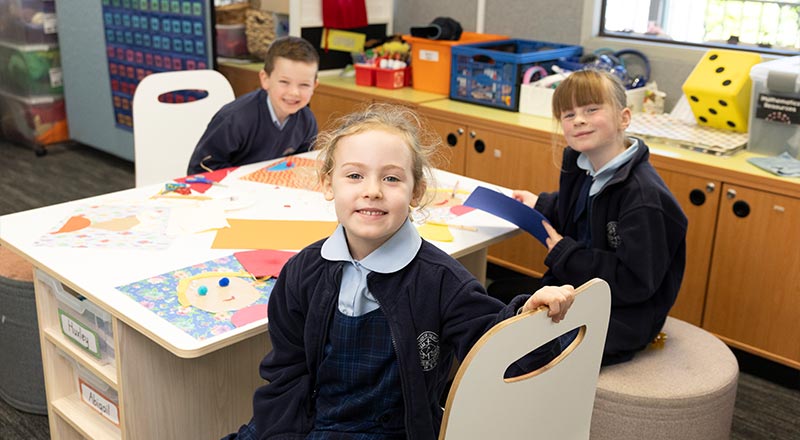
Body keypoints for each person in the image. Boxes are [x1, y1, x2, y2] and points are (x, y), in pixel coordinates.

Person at [227, 103, 576, 439]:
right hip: (307, 421)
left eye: (391, 178)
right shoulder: (303, 270)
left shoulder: (441, 280)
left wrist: (527, 319)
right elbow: (287, 373)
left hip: (396, 430)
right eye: (354, 175)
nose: (372, 191)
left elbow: (497, 350)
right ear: (327, 183)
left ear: (417, 190)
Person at [510, 69, 688, 366]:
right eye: (569, 114)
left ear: (624, 118)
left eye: (592, 110)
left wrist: (565, 254)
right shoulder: (583, 166)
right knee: (498, 311)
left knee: (529, 351)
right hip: (576, 291)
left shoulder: (644, 198)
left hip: (624, 315)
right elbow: (581, 211)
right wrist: (541, 203)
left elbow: (635, 283)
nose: (579, 120)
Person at [187, 36, 319, 174]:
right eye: (284, 82)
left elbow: (300, 167)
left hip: (274, 190)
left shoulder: (307, 121)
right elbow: (200, 169)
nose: (294, 92)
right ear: (265, 79)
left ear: (314, 85)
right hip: (230, 191)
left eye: (304, 85)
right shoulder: (235, 119)